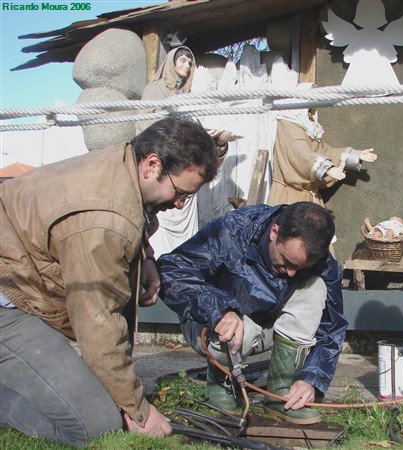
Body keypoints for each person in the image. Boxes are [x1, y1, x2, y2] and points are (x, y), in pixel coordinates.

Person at [0, 117, 218, 446]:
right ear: (152, 164)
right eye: (180, 193)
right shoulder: (104, 223)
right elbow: (97, 323)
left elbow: (135, 210)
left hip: (20, 273)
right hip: (7, 298)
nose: (178, 204)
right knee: (96, 425)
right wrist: (140, 412)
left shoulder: (123, 160)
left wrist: (144, 256)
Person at [157, 202, 347, 425]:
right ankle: (222, 382)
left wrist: (312, 380)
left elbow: (331, 328)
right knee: (239, 331)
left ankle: (282, 391)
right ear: (274, 232)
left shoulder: (323, 261)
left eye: (301, 267)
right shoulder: (233, 229)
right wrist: (219, 309)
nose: (291, 272)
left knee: (315, 287)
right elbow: (171, 271)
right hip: (211, 324)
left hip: (266, 325)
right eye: (286, 261)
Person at [136, 45, 234, 257]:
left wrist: (218, 143)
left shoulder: (193, 95)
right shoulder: (156, 92)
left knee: (185, 236)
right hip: (166, 174)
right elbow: (147, 132)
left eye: (190, 62)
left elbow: (201, 157)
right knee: (160, 232)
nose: (187, 65)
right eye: (182, 60)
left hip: (184, 183)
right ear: (171, 63)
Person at [266, 105, 377, 207]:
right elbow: (300, 154)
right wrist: (327, 168)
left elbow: (324, 152)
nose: (311, 115)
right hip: (288, 198)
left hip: (310, 199)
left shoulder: (308, 128)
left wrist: (355, 155)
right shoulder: (289, 124)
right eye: (309, 110)